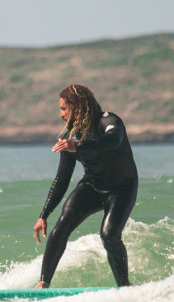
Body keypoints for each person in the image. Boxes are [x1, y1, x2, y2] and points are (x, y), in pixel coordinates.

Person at [32, 84, 138, 288]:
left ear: (78, 106)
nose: (60, 114)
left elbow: (113, 139)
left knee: (109, 235)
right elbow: (62, 179)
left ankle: (124, 286)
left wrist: (78, 146)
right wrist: (43, 215)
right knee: (61, 226)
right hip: (92, 186)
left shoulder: (108, 120)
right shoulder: (68, 137)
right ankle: (44, 282)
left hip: (122, 188)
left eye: (64, 108)